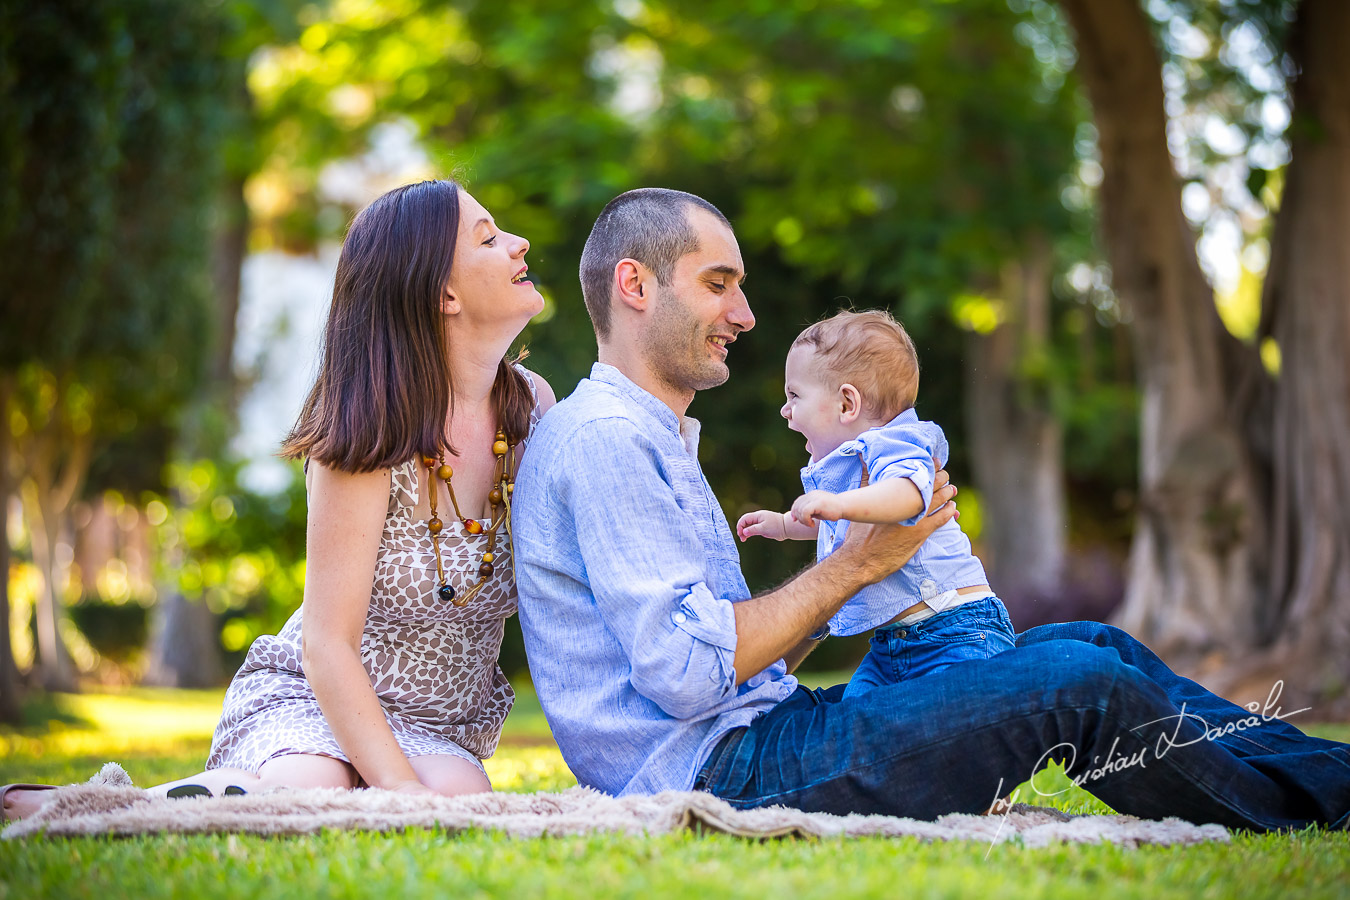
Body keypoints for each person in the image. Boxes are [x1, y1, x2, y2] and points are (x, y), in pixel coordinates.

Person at [512, 186, 1350, 830]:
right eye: (719, 284)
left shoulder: (647, 436)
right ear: (635, 284)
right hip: (726, 773)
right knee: (1080, 684)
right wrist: (857, 565)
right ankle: (1321, 807)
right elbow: (686, 676)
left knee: (1088, 643)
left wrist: (867, 570)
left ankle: (1327, 775)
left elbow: (733, 657)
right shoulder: (606, 442)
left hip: (763, 734)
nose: (745, 314)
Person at [2, 178, 556, 820]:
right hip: (313, 701)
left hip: (435, 725)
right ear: (444, 294)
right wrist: (398, 789)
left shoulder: (532, 410)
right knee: (311, 789)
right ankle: (88, 807)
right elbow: (328, 643)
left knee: (462, 801)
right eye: (488, 238)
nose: (518, 246)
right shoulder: (369, 429)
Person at [737, 308, 1015, 699]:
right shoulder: (853, 467)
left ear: (847, 404)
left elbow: (907, 494)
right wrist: (784, 524)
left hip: (954, 628)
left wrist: (839, 504)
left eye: (794, 396)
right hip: (893, 642)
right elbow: (841, 524)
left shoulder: (895, 443)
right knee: (857, 714)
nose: (785, 410)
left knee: (958, 722)